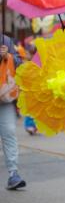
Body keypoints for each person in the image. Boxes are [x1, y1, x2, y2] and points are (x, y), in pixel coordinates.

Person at [0, 34, 25, 190]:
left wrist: (8, 56)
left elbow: (19, 64)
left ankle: (13, 173)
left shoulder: (5, 40)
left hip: (4, 98)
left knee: (9, 132)